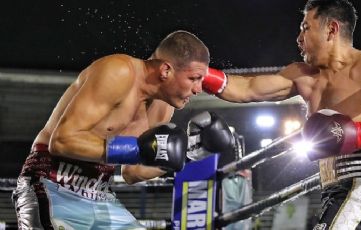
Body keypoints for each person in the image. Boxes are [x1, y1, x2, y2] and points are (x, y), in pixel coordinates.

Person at [201, 0, 361, 229]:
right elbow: (248, 89)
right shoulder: (303, 75)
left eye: (306, 27)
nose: (298, 37)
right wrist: (199, 75)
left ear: (332, 29)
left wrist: (354, 134)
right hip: (331, 190)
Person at [12, 30, 218, 229]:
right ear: (166, 70)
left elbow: (133, 172)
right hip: (51, 183)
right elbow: (61, 142)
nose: (198, 89)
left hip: (99, 194)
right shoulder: (119, 71)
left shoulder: (164, 107)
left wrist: (189, 153)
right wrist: (137, 150)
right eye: (194, 78)